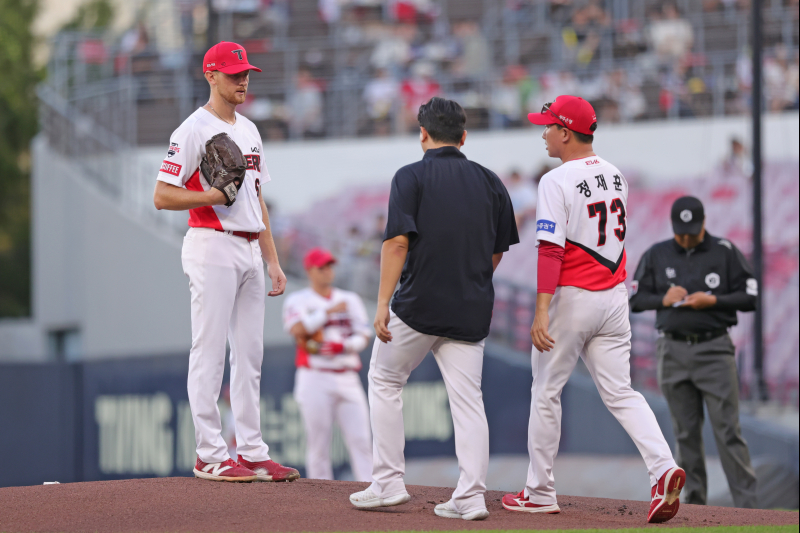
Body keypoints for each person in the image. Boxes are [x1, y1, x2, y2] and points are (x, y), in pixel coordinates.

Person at [502, 95, 685, 524]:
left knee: (546, 391)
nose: (543, 132)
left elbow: (550, 251)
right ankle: (662, 468)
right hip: (614, 298)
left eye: (548, 125)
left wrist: (542, 309)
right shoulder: (616, 174)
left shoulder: (555, 180)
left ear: (566, 132)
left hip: (574, 297)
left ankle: (540, 491)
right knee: (621, 392)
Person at [349, 97, 519, 520]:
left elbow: (396, 243)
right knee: (468, 401)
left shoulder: (410, 176)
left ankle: (387, 482)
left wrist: (382, 302)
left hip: (418, 304)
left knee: (385, 379)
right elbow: (498, 251)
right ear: (463, 137)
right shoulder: (490, 180)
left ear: (422, 133)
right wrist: (471, 280)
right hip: (471, 306)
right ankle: (472, 495)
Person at [153, 41, 299, 483]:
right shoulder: (192, 129)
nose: (243, 79)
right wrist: (211, 196)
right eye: (234, 73)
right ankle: (210, 453)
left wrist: (271, 259)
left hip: (250, 248)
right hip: (210, 243)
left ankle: (252, 450)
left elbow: (256, 197)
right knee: (210, 351)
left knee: (250, 355)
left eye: (246, 72)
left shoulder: (250, 130)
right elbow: (162, 195)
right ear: (210, 76)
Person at [630, 196, 758, 509]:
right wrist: (663, 298)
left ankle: (748, 508)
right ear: (673, 225)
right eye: (681, 230)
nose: (686, 236)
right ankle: (694, 506)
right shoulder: (657, 254)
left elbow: (750, 296)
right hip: (672, 349)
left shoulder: (724, 251)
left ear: (703, 223)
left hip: (714, 349)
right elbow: (635, 298)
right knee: (685, 433)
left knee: (727, 430)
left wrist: (713, 301)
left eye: (692, 230)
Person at [282, 248, 373, 482]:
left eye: (330, 266)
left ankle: (371, 487)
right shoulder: (298, 299)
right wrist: (327, 312)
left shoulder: (349, 299)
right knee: (318, 442)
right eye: (322, 267)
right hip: (315, 375)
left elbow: (364, 334)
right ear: (310, 271)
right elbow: (298, 330)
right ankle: (321, 495)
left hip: (347, 375)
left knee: (362, 439)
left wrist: (344, 346)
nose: (327, 271)